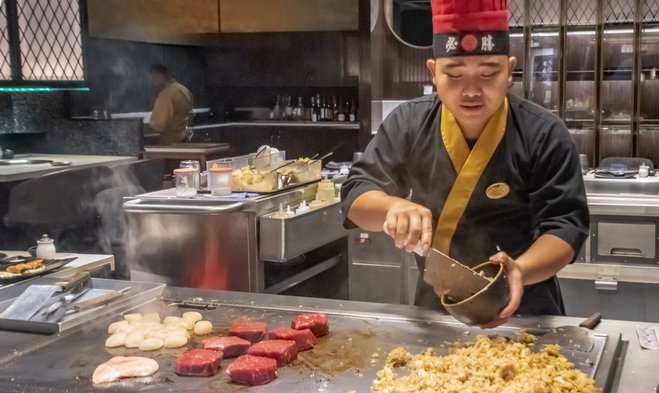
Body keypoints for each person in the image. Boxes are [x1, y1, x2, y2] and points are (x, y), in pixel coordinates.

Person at [341, 0, 589, 328]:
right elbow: (356, 193)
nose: (471, 90)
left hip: (526, 307)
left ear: (510, 70)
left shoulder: (542, 132)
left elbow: (565, 225)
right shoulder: (408, 123)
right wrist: (391, 208)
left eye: (488, 73)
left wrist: (519, 271)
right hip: (437, 311)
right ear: (433, 72)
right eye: (454, 75)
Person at [148, 64, 193, 145]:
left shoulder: (166, 94)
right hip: (184, 141)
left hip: (170, 145)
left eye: (153, 80)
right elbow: (190, 116)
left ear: (160, 77)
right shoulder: (184, 90)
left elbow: (159, 125)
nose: (153, 84)